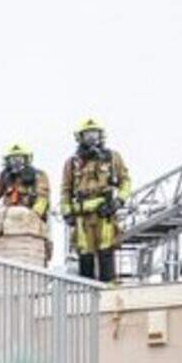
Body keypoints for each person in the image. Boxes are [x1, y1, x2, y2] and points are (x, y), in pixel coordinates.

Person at [58, 120, 129, 283]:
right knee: (84, 252)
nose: (91, 138)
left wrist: (118, 201)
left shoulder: (112, 158)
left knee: (106, 250)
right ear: (80, 137)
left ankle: (108, 289)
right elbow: (65, 189)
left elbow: (125, 181)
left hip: (104, 213)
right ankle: (86, 291)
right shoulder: (72, 163)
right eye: (87, 134)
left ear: (101, 135)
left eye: (95, 134)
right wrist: (66, 211)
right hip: (81, 215)